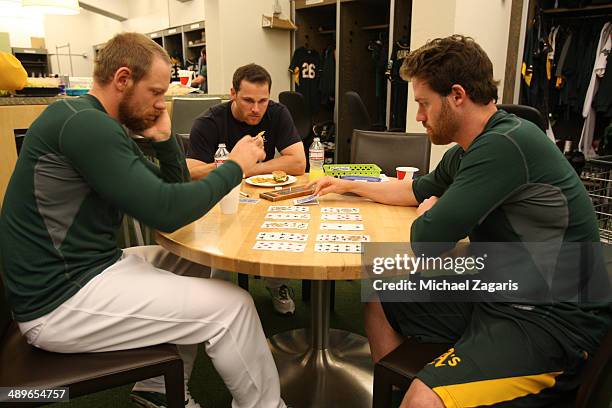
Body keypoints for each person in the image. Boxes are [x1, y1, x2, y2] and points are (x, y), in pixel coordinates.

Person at [309, 35, 611, 408]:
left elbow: (428, 239)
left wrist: (431, 213)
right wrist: (348, 185)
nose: (419, 116)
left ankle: (423, 398)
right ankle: (409, 396)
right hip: (500, 287)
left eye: (423, 103)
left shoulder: (504, 145)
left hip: (552, 316)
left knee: (424, 400)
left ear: (456, 95)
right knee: (380, 293)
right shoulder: (472, 146)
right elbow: (415, 191)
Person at [0, 33, 287, 408]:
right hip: (59, 302)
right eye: (155, 92)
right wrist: (236, 166)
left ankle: (157, 389)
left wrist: (165, 140)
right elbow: (167, 211)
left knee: (195, 260)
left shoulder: (88, 118)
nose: (159, 103)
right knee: (233, 308)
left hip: (86, 270)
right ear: (122, 79)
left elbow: (169, 188)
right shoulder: (88, 126)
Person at [187, 63, 306, 315]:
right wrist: (234, 165)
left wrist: (247, 168)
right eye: (248, 100)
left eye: (263, 101)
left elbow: (298, 162)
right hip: (221, 198)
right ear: (232, 94)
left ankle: (277, 283)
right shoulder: (209, 121)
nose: (256, 109)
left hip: (261, 194)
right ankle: (218, 292)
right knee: (220, 240)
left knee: (283, 222)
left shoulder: (277, 113)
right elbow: (191, 171)